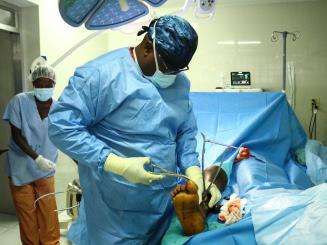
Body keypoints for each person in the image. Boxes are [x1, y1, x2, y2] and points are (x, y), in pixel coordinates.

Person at [48, 15, 247, 244]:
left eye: (178, 69)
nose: (172, 75)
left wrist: (193, 171)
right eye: (167, 67)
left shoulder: (179, 83)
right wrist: (116, 163)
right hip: (113, 217)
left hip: (162, 208)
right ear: (146, 47)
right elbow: (60, 125)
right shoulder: (101, 75)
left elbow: (184, 131)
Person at [2, 57, 60, 245]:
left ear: (54, 84)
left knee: (48, 215)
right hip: (21, 166)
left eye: (47, 84)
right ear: (33, 84)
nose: (43, 87)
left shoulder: (58, 108)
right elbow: (17, 136)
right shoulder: (19, 101)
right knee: (27, 216)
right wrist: (37, 158)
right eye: (39, 83)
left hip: (46, 168)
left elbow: (65, 137)